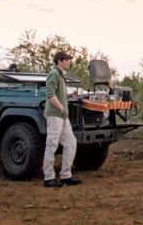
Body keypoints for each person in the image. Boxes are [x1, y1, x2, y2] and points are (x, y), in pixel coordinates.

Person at [43, 51, 81, 187]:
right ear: (60, 60)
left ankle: (66, 175)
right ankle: (48, 177)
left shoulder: (60, 75)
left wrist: (70, 97)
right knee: (52, 144)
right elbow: (50, 95)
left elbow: (58, 95)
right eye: (67, 59)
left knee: (71, 143)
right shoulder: (53, 74)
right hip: (55, 115)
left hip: (62, 116)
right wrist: (61, 108)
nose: (69, 62)